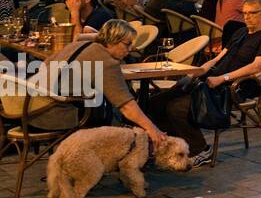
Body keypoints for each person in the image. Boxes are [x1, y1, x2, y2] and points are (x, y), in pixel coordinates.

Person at [148, 0, 261, 166]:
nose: (246, 17)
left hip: (233, 88)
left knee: (177, 108)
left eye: (252, 13)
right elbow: (218, 58)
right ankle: (171, 146)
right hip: (210, 82)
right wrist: (198, 71)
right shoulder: (240, 33)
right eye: (244, 13)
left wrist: (222, 78)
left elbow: (256, 66)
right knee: (157, 102)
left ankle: (201, 150)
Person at [40, 20, 169, 146]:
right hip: (55, 116)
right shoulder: (106, 61)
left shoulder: (77, 45)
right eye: (127, 44)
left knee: (99, 100)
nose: (130, 49)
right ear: (113, 41)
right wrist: (153, 130)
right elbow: (126, 106)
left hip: (31, 109)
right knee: (105, 107)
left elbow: (44, 66)